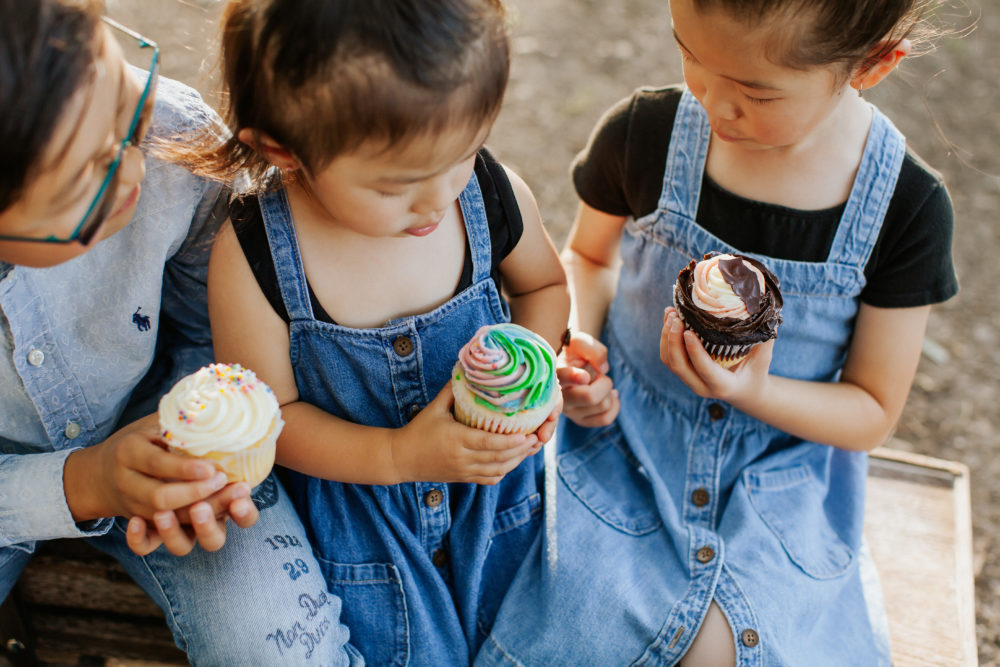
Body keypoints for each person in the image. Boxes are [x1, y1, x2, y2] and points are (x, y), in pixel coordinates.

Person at [477, 0, 957, 665]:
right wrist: (579, 343)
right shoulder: (647, 132)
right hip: (625, 443)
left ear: (873, 65)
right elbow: (588, 259)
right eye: (692, 58)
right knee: (577, 617)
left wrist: (754, 390)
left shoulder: (905, 209)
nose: (712, 104)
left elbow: (871, 410)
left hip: (777, 474)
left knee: (733, 645)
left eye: (756, 93)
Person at [204, 0, 569, 663]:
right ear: (283, 149)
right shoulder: (254, 253)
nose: (437, 199)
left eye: (461, 154)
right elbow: (266, 420)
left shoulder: (487, 193)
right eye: (395, 185)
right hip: (365, 527)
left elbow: (544, 287)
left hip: (504, 497)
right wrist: (401, 456)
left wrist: (533, 379)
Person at [0, 1, 358, 664]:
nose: (137, 167)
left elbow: (214, 323)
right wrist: (82, 482)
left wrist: (212, 440)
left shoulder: (171, 134)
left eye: (124, 113)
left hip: (168, 420)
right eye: (91, 181)